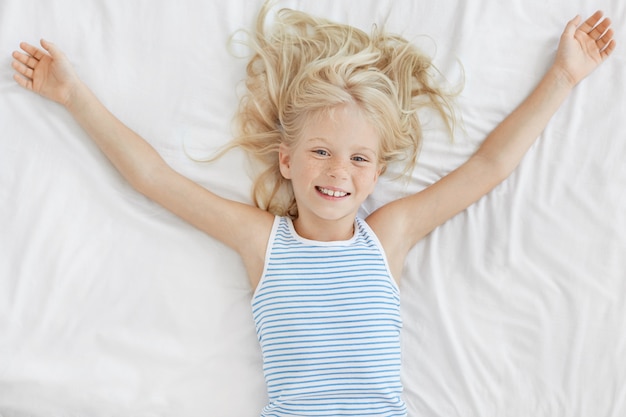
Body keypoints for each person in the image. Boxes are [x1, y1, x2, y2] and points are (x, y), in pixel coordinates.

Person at [11, 2, 615, 416]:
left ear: (377, 173)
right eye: (321, 152)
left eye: (358, 159)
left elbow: (489, 167)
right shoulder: (262, 241)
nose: (337, 172)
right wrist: (73, 95)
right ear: (287, 162)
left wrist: (563, 76)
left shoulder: (390, 233)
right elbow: (153, 178)